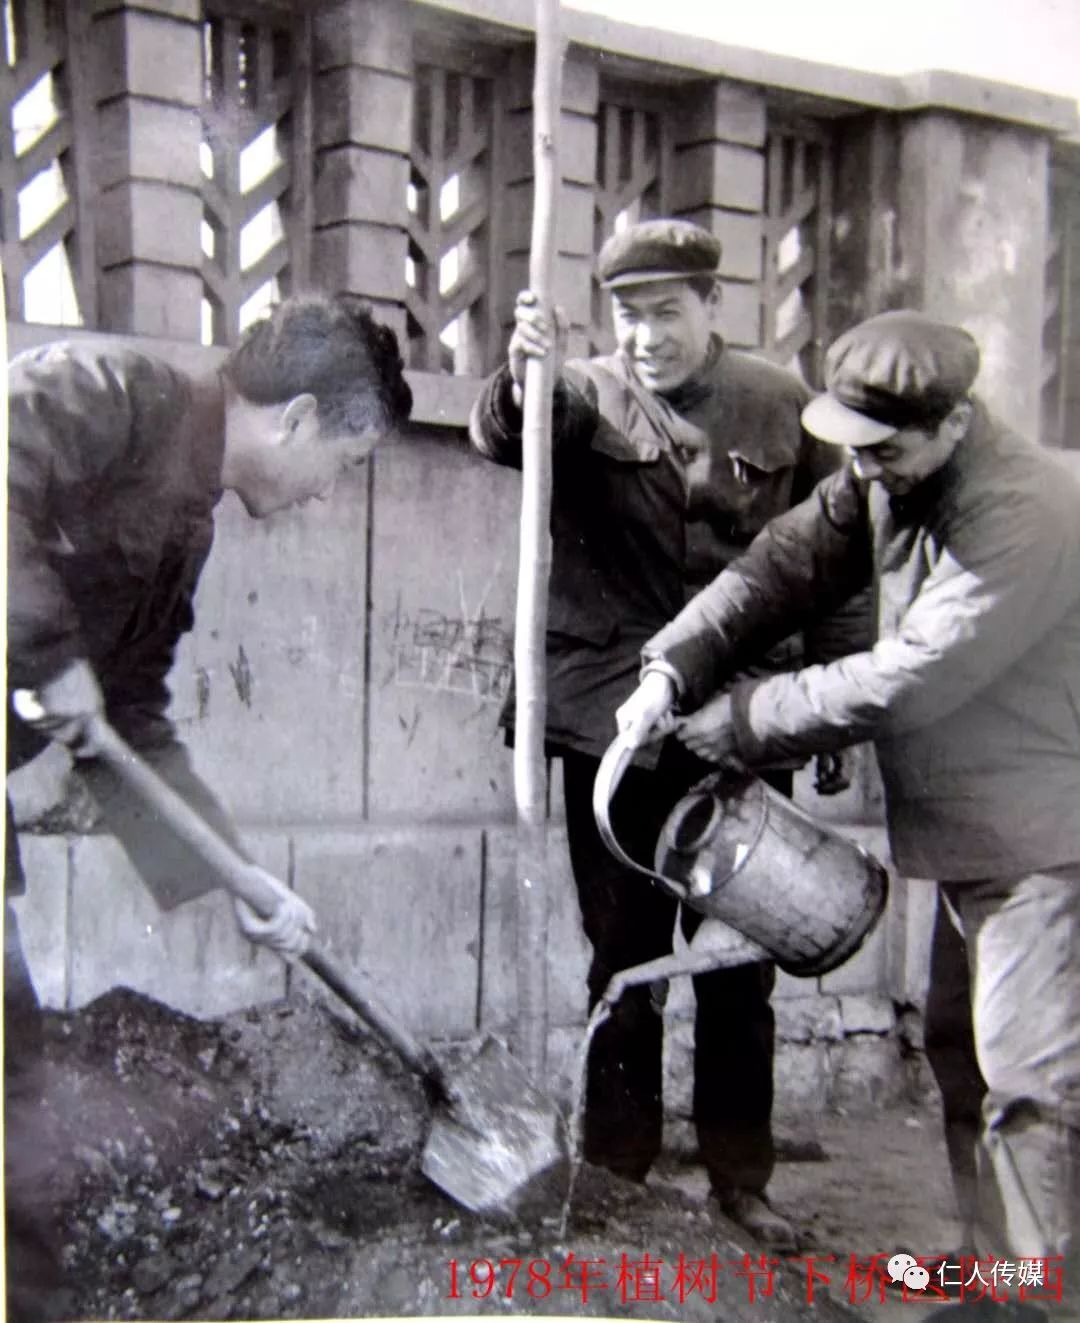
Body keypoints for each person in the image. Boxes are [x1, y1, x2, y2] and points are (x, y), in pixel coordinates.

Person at [617, 309, 1080, 1289]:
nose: (862, 470)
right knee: (962, 1054)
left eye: (884, 452)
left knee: (1027, 1080)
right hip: (971, 829)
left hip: (1045, 833)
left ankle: (1030, 1293)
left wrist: (741, 720)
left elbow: (912, 676)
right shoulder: (887, 477)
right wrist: (673, 667)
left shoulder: (1025, 506)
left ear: (954, 423)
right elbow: (781, 566)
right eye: (854, 450)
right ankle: (997, 1267)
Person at [5, 292, 413, 1321]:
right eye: (346, 466)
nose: (330, 495)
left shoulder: (188, 528)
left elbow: (130, 715)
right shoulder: (110, 394)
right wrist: (47, 654)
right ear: (301, 420)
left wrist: (235, 877)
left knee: (8, 1078)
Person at [469, 218, 864, 1249]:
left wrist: (830, 699)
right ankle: (619, 1173)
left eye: (665, 312)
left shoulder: (781, 401)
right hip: (610, 725)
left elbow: (834, 554)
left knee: (742, 957)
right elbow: (512, 436)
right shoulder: (581, 390)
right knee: (625, 955)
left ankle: (741, 1180)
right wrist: (523, 374)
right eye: (627, 315)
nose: (643, 335)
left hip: (736, 721)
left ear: (712, 307)